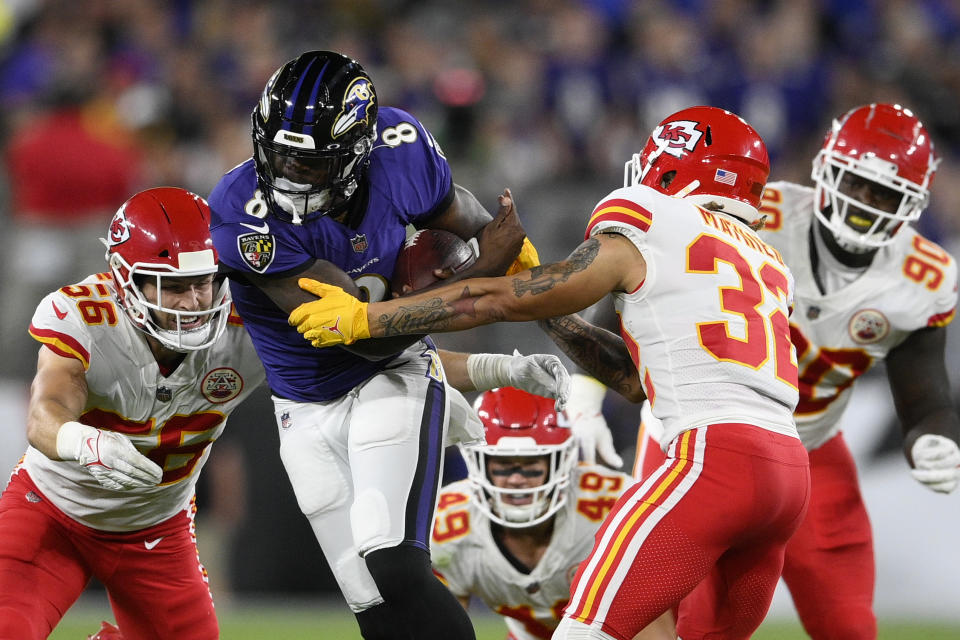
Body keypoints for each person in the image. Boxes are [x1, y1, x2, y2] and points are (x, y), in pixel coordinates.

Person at [287, 105, 812, 640]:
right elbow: (633, 381)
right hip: (788, 477)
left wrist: (369, 318)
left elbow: (499, 302)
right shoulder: (767, 262)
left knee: (584, 633)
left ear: (675, 170)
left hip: (711, 460)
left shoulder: (655, 219)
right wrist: (552, 311)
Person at [206, 50, 541, 640]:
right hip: (303, 409)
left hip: (394, 377)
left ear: (359, 152)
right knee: (377, 612)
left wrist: (501, 249)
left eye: (309, 164)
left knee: (395, 566)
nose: (287, 176)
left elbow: (461, 216)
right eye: (280, 155)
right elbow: (356, 335)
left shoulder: (400, 145)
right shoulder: (242, 212)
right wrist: (482, 271)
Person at [625, 103, 959, 640]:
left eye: (884, 195)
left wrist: (934, 437)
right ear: (826, 168)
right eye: (856, 183)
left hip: (811, 446)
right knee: (682, 619)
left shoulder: (921, 279)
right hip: (695, 432)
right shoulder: (756, 214)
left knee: (849, 625)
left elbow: (926, 399)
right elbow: (633, 279)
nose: (863, 204)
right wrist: (587, 387)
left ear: (910, 205)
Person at [0, 187, 260, 640]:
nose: (193, 303)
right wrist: (84, 441)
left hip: (158, 529)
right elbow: (47, 410)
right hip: (51, 511)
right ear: (126, 280)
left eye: (201, 283)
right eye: (173, 286)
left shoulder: (252, 325)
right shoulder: (83, 315)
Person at [431, 386, 674, 640]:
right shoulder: (448, 523)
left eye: (531, 466)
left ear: (562, 463)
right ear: (478, 464)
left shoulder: (613, 506)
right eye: (502, 465)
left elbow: (654, 627)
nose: (516, 480)